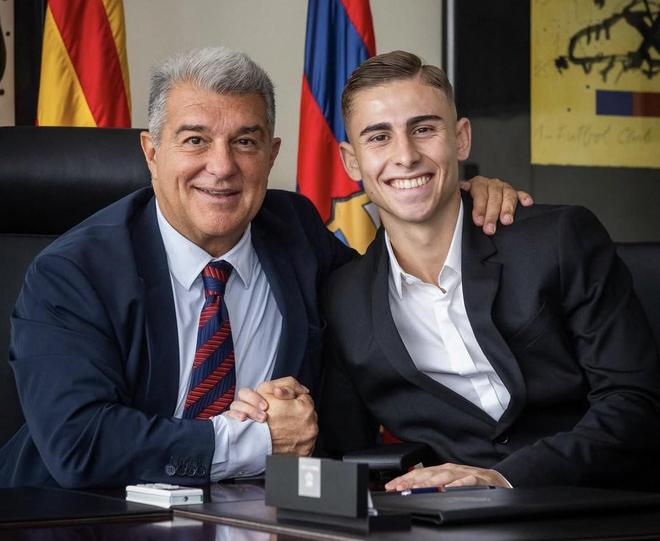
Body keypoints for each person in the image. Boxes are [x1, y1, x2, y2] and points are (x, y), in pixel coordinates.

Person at [0, 47, 525, 489]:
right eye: (195, 140)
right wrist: (258, 441)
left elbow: (390, 287)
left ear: (272, 154)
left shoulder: (294, 231)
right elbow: (80, 444)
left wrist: (458, 203)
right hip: (76, 517)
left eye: (245, 141)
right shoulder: (72, 273)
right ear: (152, 152)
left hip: (259, 516)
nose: (222, 166)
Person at [318, 50, 660, 491]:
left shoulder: (558, 239)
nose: (405, 155)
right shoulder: (344, 299)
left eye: (424, 129)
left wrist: (505, 477)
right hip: (448, 516)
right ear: (351, 161)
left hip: (597, 503)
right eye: (379, 137)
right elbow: (344, 456)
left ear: (461, 139)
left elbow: (636, 404)